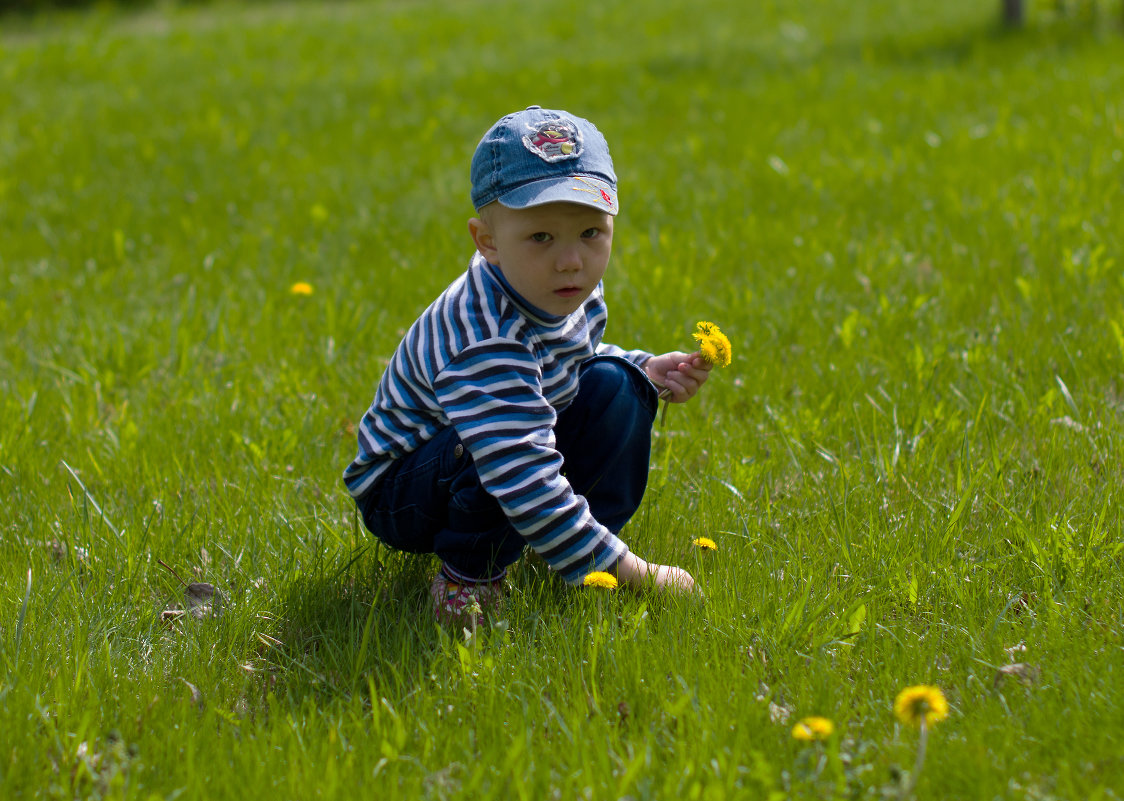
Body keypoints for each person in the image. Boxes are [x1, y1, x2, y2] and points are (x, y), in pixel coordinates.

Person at [343, 106, 712, 623]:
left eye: (590, 233)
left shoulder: (561, 286)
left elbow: (567, 365)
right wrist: (637, 572)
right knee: (498, 448)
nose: (571, 260)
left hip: (498, 441)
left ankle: (578, 553)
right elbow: (518, 465)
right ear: (487, 241)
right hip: (406, 488)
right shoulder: (483, 337)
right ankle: (468, 577)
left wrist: (644, 369)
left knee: (619, 388)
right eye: (541, 237)